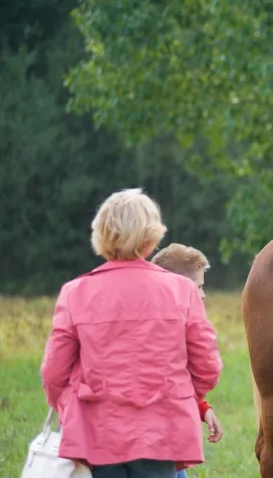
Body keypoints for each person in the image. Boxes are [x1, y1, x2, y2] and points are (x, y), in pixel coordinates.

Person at [40, 188, 222, 478]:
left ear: (100, 234)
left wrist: (69, 408)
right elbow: (208, 366)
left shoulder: (75, 293)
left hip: (95, 433)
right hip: (161, 432)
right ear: (152, 237)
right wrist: (179, 397)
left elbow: (53, 373)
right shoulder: (182, 291)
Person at [150, 243, 223, 478]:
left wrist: (202, 408)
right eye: (198, 287)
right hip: (155, 437)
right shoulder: (157, 328)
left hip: (169, 438)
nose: (202, 294)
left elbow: (179, 378)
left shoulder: (182, 323)